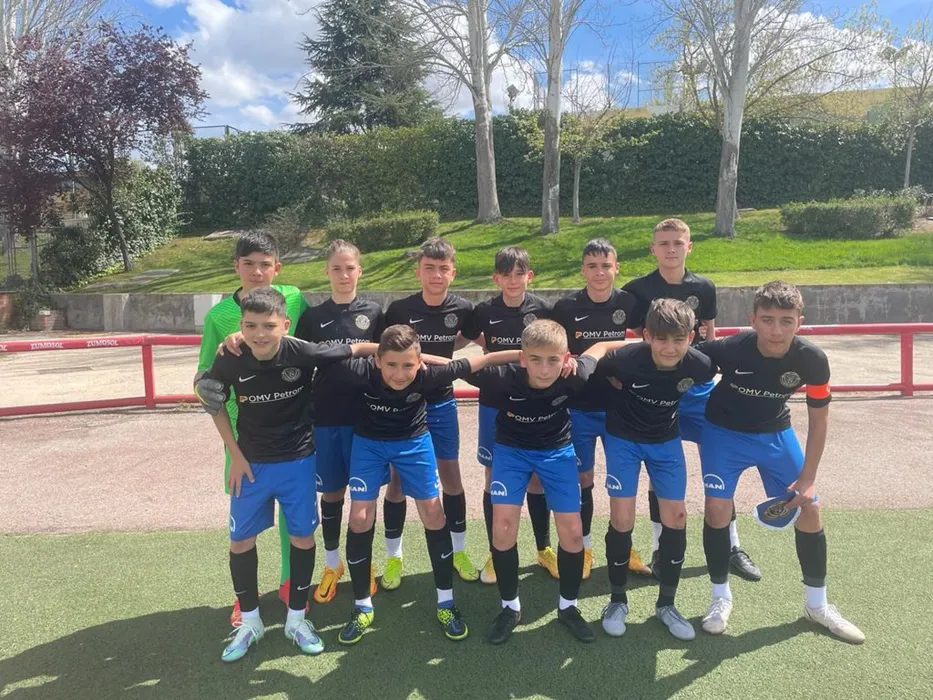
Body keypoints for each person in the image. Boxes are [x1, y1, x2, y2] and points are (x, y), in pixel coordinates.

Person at [194, 288, 377, 662]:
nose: (259, 334)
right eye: (250, 326)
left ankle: (296, 619)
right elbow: (213, 401)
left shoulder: (302, 351)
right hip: (251, 464)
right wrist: (235, 455)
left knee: (302, 538)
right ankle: (250, 622)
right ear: (241, 325)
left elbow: (357, 348)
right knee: (240, 542)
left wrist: (413, 356)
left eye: (268, 326)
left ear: (286, 325)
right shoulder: (231, 356)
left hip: (298, 461)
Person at [696, 281, 864, 644]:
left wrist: (808, 479)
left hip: (775, 434)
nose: (776, 329)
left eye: (786, 321)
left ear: (799, 321)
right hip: (723, 433)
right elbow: (676, 356)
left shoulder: (812, 359)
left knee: (810, 509)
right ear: (752, 319)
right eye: (767, 320)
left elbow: (819, 421)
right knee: (717, 508)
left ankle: (817, 605)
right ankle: (720, 598)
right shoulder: (730, 348)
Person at [332, 325, 518, 645]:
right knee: (360, 517)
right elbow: (317, 354)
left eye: (408, 365)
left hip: (414, 444)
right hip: (369, 445)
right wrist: (369, 348)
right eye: (391, 364)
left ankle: (446, 603)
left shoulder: (430, 375)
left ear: (420, 363)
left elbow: (482, 361)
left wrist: (530, 355)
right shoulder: (360, 371)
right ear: (377, 361)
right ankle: (362, 606)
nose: (399, 374)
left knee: (433, 513)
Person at [464, 320, 625, 644]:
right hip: (511, 452)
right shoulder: (501, 376)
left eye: (553, 360)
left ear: (566, 359)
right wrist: (506, 354)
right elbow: (454, 364)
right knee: (503, 528)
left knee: (573, 532)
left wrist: (651, 343)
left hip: (557, 453)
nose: (545, 369)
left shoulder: (575, 374)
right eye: (535, 359)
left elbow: (601, 347)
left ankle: (568, 607)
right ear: (522, 359)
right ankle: (510, 608)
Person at [623, 217, 760, 581]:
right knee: (660, 470)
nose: (671, 249)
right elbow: (635, 339)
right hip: (657, 393)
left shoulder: (704, 287)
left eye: (678, 243)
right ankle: (659, 546)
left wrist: (715, 377)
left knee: (718, 466)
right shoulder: (636, 290)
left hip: (698, 391)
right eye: (664, 243)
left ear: (689, 246)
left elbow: (710, 337)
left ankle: (731, 545)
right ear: (653, 249)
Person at [193, 231, 308, 626]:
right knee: (245, 520)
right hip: (243, 437)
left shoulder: (294, 298)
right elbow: (204, 376)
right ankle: (245, 597)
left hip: (291, 431)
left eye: (265, 264)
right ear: (236, 266)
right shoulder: (218, 317)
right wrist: (203, 386)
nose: (257, 272)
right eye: (249, 264)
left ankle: (291, 583)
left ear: (277, 267)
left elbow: (310, 345)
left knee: (294, 516)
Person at [596, 298, 715, 641]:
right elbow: (600, 374)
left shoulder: (700, 365)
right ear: (647, 335)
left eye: (678, 339)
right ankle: (617, 601)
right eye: (661, 339)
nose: (669, 347)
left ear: (690, 337)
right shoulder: (624, 359)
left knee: (676, 517)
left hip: (665, 442)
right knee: (622, 518)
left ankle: (666, 605)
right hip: (623, 440)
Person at [382, 238, 481, 587]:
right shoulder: (398, 309)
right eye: (429, 268)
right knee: (397, 481)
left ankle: (459, 551)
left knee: (451, 475)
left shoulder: (464, 308)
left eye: (443, 269)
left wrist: (447, 352)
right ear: (418, 271)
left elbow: (476, 338)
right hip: (404, 404)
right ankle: (393, 557)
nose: (436, 275)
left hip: (441, 402)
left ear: (453, 273)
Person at [294, 240, 385, 605]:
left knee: (365, 497)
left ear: (359, 271)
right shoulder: (312, 317)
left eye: (350, 268)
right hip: (327, 418)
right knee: (332, 493)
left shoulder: (375, 312)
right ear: (327, 272)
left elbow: (388, 361)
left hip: (367, 418)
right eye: (337, 268)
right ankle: (333, 564)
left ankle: (364, 562)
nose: (344, 275)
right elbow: (300, 367)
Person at [551, 238, 645, 579]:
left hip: (619, 408)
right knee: (583, 480)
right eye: (592, 266)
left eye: (606, 265)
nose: (600, 272)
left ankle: (625, 546)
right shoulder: (565, 307)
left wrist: (621, 368)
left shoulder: (630, 303)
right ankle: (585, 547)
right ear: (583, 270)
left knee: (622, 481)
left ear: (616, 267)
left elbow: (648, 342)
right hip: (578, 408)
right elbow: (556, 352)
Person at [470, 246, 557, 585]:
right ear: (496, 278)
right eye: (506, 274)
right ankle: (497, 551)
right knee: (494, 475)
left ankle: (543, 548)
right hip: (495, 401)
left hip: (535, 403)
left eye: (519, 273)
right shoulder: (483, 311)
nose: (513, 280)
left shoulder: (544, 310)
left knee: (536, 478)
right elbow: (465, 339)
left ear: (529, 276)